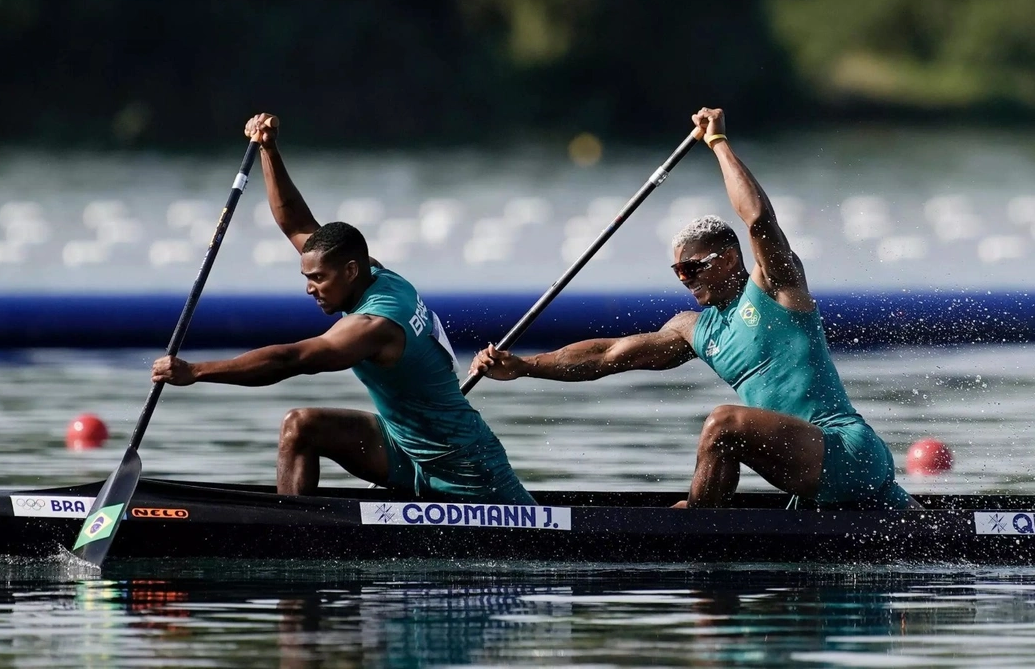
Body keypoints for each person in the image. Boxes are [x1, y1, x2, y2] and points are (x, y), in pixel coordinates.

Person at [470, 107, 917, 511]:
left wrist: (718, 144)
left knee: (723, 423)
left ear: (726, 259)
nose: (685, 280)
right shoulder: (695, 329)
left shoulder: (777, 288)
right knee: (725, 436)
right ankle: (704, 525)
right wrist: (526, 366)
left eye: (691, 268)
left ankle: (696, 530)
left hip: (847, 451)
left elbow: (759, 219)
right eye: (677, 272)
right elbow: (605, 356)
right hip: (808, 476)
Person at [152, 113, 533, 505]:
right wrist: (269, 150)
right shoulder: (373, 273)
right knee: (300, 427)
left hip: (466, 467)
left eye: (317, 279)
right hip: (403, 448)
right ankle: (294, 534)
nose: (309, 289)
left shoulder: (375, 325)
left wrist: (196, 371)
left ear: (350, 271)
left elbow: (293, 359)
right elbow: (296, 222)